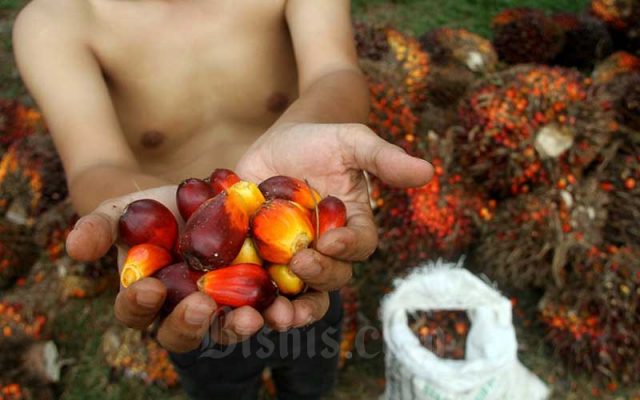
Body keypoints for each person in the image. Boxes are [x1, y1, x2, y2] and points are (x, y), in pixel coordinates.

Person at [13, 0, 433, 398]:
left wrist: (304, 131)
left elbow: (336, 73)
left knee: (311, 368)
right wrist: (137, 206)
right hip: (190, 282)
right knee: (219, 382)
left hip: (303, 254)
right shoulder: (55, 23)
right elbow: (93, 165)